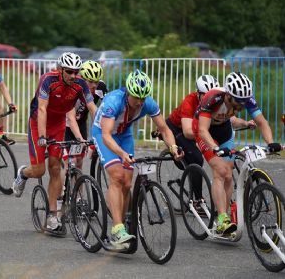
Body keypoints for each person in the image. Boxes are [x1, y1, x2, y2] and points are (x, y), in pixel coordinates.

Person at [92, 70, 183, 247]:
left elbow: (164, 129)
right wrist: (121, 154)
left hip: (124, 134)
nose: (140, 102)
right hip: (104, 134)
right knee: (117, 176)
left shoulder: (147, 102)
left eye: (143, 98)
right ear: (128, 93)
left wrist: (173, 148)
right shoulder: (113, 101)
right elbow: (106, 135)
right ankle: (117, 229)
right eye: (136, 98)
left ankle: (124, 220)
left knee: (127, 183)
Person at [12, 52, 96, 232]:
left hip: (58, 125)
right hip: (38, 125)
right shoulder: (48, 80)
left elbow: (92, 108)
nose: (74, 76)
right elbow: (42, 109)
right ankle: (23, 174)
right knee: (39, 170)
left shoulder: (80, 84)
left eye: (76, 72)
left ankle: (52, 215)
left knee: (56, 169)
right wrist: (42, 136)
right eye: (69, 72)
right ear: (60, 69)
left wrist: (101, 133)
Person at [193, 71, 282, 235]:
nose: (242, 106)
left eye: (244, 103)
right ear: (228, 95)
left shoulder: (245, 98)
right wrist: (215, 148)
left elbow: (262, 122)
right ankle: (221, 219)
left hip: (224, 130)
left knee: (228, 174)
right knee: (220, 171)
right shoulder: (213, 98)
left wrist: (271, 143)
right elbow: (203, 130)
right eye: (238, 103)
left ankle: (225, 218)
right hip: (204, 131)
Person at [65, 60, 108, 170]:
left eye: (96, 82)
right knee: (69, 162)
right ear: (82, 79)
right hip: (65, 123)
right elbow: (70, 117)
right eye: (90, 82)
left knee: (79, 162)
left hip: (81, 122)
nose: (94, 85)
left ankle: (80, 186)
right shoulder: (73, 87)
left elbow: (100, 112)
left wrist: (102, 133)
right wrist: (80, 139)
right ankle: (62, 185)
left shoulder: (100, 87)